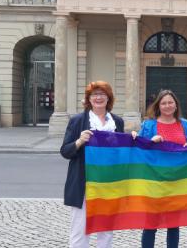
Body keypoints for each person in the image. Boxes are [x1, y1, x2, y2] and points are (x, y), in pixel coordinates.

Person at [60, 81, 124, 248]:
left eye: (102, 94)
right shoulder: (78, 121)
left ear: (108, 98)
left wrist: (132, 140)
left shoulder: (117, 122)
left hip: (108, 184)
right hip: (83, 184)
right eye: (94, 94)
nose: (98, 97)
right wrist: (80, 141)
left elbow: (121, 153)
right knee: (80, 232)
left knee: (106, 232)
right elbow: (65, 151)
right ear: (88, 98)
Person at [132, 90, 187, 248]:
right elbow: (139, 148)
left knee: (173, 224)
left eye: (170, 102)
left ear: (176, 105)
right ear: (158, 105)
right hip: (154, 181)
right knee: (150, 223)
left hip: (176, 181)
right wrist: (151, 141)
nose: (167, 106)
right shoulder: (149, 124)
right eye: (164, 103)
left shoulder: (184, 124)